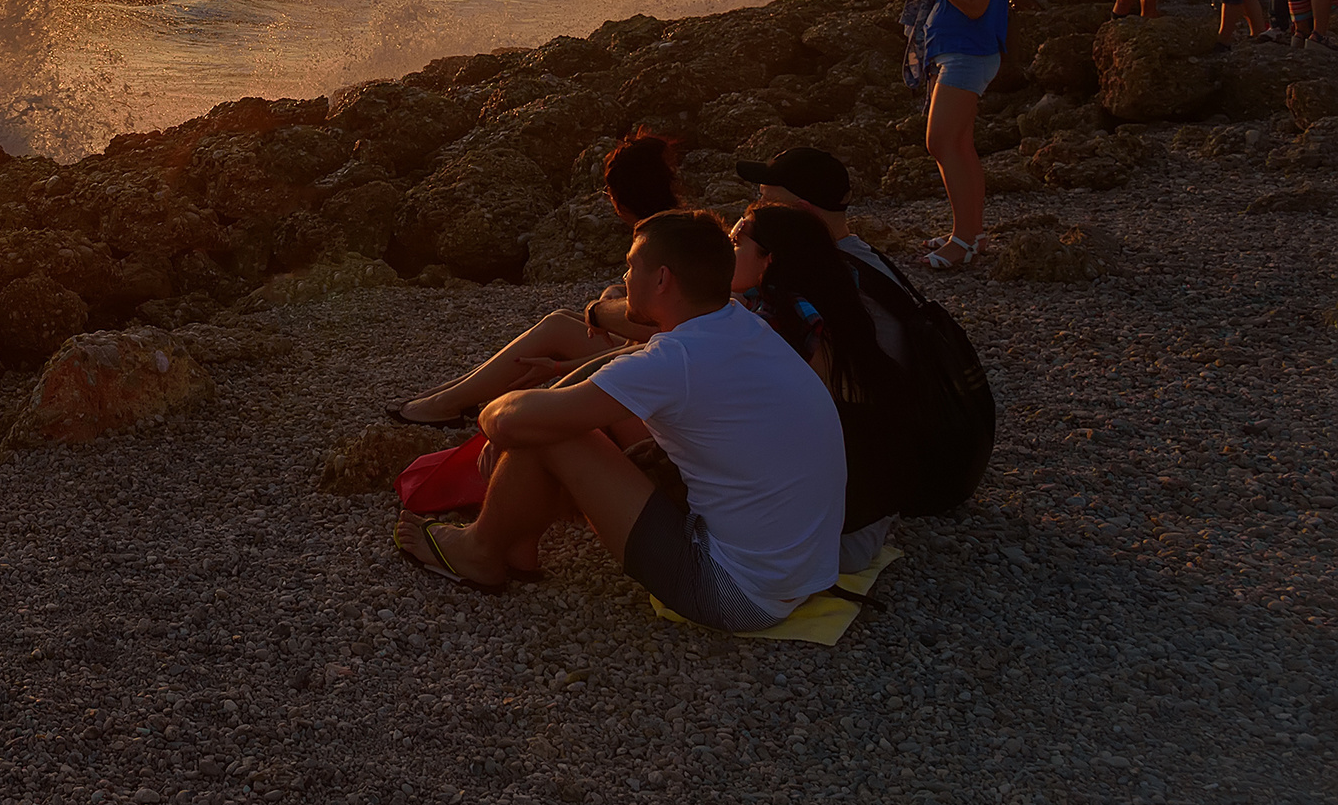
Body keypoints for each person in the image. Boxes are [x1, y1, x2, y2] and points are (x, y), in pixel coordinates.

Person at [394, 211, 845, 631]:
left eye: (632, 267)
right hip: (798, 573)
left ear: (663, 279)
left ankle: (479, 551)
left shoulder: (678, 361)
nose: (626, 278)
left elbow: (511, 422)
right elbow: (634, 358)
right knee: (556, 416)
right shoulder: (741, 324)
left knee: (556, 431)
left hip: (739, 595)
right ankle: (516, 546)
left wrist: (501, 411)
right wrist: (547, 401)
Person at [738, 145, 996, 518]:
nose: (754, 214)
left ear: (801, 214)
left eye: (766, 204)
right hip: (926, 445)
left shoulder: (827, 281)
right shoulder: (857, 256)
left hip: (895, 466)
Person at [384, 130, 680, 426]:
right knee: (567, 315)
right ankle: (448, 395)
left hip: (663, 372)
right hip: (668, 363)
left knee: (557, 326)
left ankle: (445, 403)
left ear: (620, 200)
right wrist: (614, 295)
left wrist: (561, 364)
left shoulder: (657, 243)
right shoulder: (679, 230)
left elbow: (664, 332)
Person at [727, 203, 910, 572]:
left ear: (769, 260)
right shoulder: (825, 308)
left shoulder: (785, 326)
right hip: (864, 520)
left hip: (829, 543)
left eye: (734, 242)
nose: (723, 251)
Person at [887, 0, 1008, 270]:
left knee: (940, 142)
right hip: (952, 54)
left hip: (969, 55)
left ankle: (962, 241)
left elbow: (975, 6)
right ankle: (971, 234)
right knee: (958, 145)